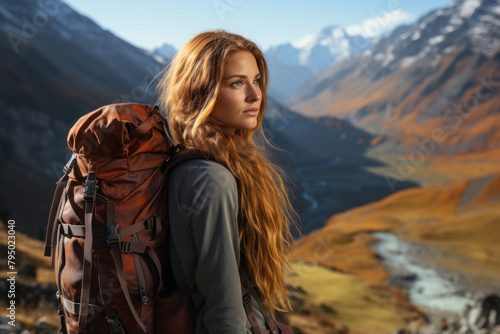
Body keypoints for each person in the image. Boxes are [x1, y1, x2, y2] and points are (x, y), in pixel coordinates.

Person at [156, 30, 296, 334]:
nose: (255, 95)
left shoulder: (185, 161)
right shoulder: (212, 180)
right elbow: (224, 311)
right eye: (237, 83)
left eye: (256, 80)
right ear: (200, 92)